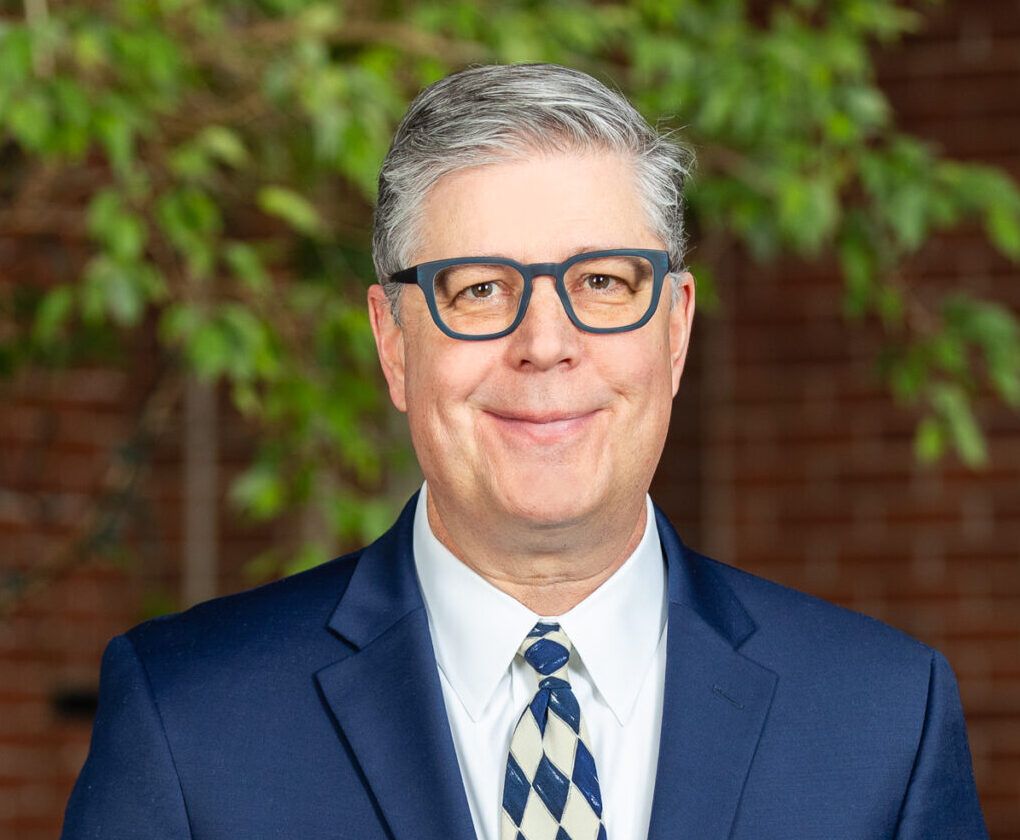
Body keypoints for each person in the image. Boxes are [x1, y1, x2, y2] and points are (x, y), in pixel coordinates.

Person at [62, 64, 988, 840]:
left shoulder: (882, 721)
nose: (546, 342)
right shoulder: (187, 720)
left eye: (601, 280)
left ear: (675, 329)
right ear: (393, 342)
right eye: (478, 290)